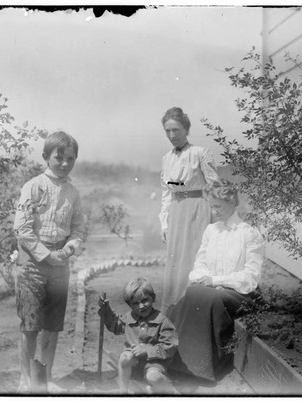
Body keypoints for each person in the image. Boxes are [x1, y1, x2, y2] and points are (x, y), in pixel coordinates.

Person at [168, 179, 264, 382]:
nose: (214, 211)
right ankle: (180, 363)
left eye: (218, 206)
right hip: (213, 289)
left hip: (241, 294)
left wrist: (215, 280)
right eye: (211, 206)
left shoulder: (248, 234)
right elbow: (198, 266)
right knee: (194, 292)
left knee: (207, 296)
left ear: (232, 202)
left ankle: (203, 369)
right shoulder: (211, 231)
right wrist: (203, 278)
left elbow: (250, 278)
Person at [13, 131, 85, 393]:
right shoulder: (33, 186)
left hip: (60, 266)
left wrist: (67, 250)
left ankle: (45, 378)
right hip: (32, 263)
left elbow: (78, 229)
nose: (65, 163)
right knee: (30, 325)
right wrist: (46, 254)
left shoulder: (73, 193)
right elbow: (22, 228)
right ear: (46, 157)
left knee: (52, 326)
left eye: (71, 158)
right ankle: (26, 379)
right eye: (59, 157)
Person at [159, 107, 220, 313]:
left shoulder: (200, 153)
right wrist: (164, 222)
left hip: (198, 210)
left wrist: (217, 221)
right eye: (167, 131)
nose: (172, 135)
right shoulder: (167, 158)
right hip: (176, 211)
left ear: (186, 129)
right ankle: (174, 309)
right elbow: (167, 192)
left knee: (194, 258)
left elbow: (215, 187)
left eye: (176, 129)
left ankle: (193, 309)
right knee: (175, 260)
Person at [98, 278, 178, 394]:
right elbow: (115, 325)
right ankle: (123, 392)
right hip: (134, 363)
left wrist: (148, 350)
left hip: (154, 364)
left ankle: (169, 390)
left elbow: (170, 346)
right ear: (129, 304)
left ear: (153, 298)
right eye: (135, 303)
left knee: (153, 377)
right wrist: (105, 308)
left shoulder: (163, 321)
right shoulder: (129, 317)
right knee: (125, 357)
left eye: (145, 300)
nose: (141, 306)